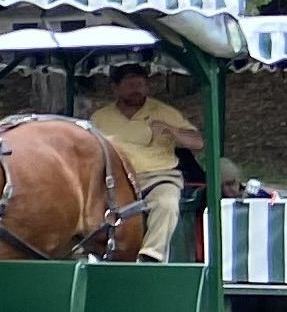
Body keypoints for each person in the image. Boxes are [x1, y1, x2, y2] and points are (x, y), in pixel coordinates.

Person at [85, 61, 202, 262]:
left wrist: (171, 129)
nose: (136, 90)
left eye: (140, 85)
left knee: (166, 202)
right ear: (115, 88)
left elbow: (198, 143)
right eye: (130, 85)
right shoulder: (100, 118)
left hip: (158, 177)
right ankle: (91, 255)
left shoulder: (164, 112)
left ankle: (151, 256)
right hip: (115, 180)